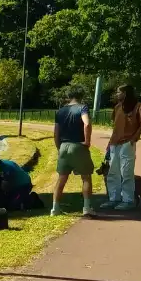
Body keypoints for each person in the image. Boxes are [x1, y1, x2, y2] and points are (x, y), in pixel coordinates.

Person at [101, 84, 141, 210]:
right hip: (114, 144)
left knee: (126, 172)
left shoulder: (138, 106)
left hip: (128, 143)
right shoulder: (117, 107)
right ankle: (114, 198)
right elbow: (115, 128)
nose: (117, 94)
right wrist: (109, 144)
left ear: (125, 93)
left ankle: (128, 200)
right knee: (112, 173)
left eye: (118, 92)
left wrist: (134, 139)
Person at [52, 85, 95, 216]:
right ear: (81, 95)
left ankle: (55, 208)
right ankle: (87, 208)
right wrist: (87, 141)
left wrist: (59, 147)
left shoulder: (60, 111)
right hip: (78, 146)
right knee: (86, 177)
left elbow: (56, 132)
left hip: (64, 146)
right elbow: (86, 124)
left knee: (61, 178)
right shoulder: (83, 108)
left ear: (68, 96)